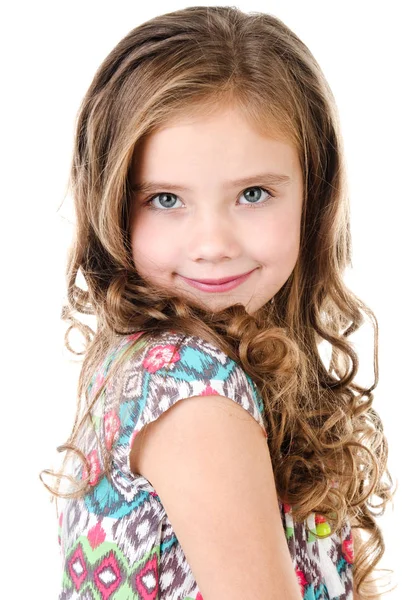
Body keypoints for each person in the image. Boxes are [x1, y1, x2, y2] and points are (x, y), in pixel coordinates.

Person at [40, 6, 396, 600]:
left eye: (253, 194)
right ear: (112, 202)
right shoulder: (191, 390)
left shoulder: (205, 354)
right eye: (165, 199)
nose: (212, 246)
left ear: (316, 194)